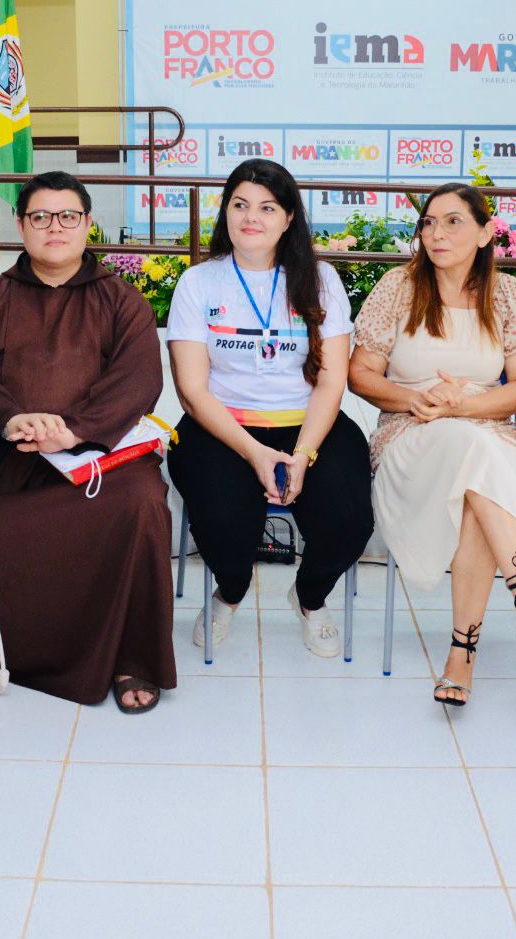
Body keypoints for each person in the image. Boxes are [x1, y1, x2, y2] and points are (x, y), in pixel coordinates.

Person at [0, 170, 176, 713]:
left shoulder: (123, 302)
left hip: (94, 454)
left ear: (88, 225)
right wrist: (11, 421)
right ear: (21, 225)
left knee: (144, 506)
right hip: (3, 447)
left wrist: (74, 430)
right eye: (41, 217)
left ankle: (131, 657)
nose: (55, 227)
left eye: (68, 216)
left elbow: (139, 378)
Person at [349, 183, 516, 706]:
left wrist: (461, 407)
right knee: (474, 454)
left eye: (453, 222)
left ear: (484, 233)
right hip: (408, 438)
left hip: (487, 432)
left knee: (476, 462)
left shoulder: (507, 296)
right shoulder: (398, 286)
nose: (436, 233)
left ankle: (462, 653)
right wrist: (417, 401)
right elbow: (361, 375)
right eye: (429, 222)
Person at [166, 158, 373, 658]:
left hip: (306, 424)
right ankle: (229, 592)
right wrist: (254, 453)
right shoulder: (199, 283)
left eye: (266, 207)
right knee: (224, 527)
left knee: (350, 520)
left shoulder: (320, 280)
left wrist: (301, 454)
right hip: (221, 428)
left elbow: (331, 382)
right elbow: (193, 391)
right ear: (225, 214)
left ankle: (309, 597)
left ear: (288, 219)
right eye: (239, 205)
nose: (250, 217)